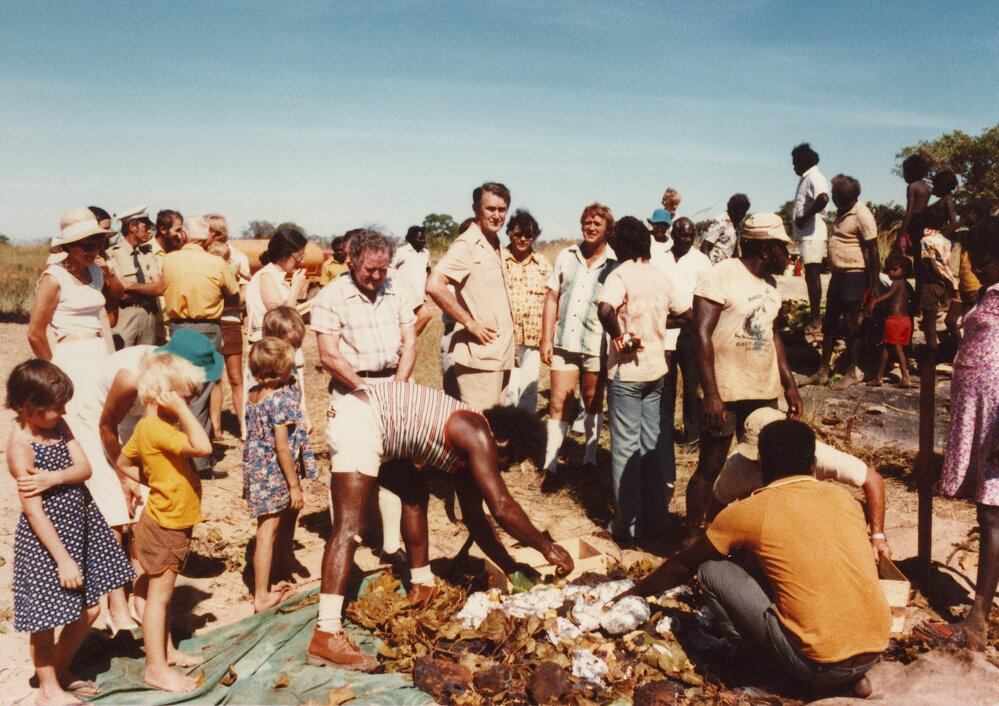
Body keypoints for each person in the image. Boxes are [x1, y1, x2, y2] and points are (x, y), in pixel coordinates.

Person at [308, 381, 573, 671]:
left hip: (379, 427)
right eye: (508, 462)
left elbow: (476, 519)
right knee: (350, 527)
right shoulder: (476, 432)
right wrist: (547, 548)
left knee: (413, 492)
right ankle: (326, 634)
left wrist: (510, 568)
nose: (503, 469)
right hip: (360, 419)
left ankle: (422, 585)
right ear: (505, 442)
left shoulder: (469, 447)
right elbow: (502, 506)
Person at [623, 420, 890, 698]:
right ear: (812, 463)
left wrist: (636, 590)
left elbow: (683, 564)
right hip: (873, 651)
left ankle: (771, 673)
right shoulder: (844, 498)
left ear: (761, 463)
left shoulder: (752, 510)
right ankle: (848, 680)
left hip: (818, 664)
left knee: (712, 570)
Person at [6, 360, 134, 705]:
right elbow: (33, 511)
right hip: (47, 541)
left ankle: (59, 670)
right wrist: (62, 560)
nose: (64, 410)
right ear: (28, 406)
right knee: (46, 617)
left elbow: (84, 468)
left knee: (89, 610)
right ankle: (47, 690)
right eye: (56, 406)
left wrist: (54, 477)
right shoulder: (21, 445)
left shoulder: (59, 426)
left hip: (81, 525)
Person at [78, 329, 223, 629]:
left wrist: (141, 478)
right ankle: (115, 605)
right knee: (116, 516)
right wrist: (122, 476)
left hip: (132, 423)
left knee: (143, 507)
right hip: (97, 424)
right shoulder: (132, 376)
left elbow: (149, 424)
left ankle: (141, 598)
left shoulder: (165, 377)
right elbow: (107, 425)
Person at [687, 213, 802, 534]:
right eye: (783, 248)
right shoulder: (720, 276)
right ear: (765, 250)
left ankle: (748, 535)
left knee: (765, 469)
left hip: (764, 393)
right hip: (724, 394)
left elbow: (774, 334)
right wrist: (711, 394)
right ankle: (693, 538)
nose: (788, 255)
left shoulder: (771, 285)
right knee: (710, 467)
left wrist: (789, 385)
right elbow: (701, 333)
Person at [312, 229, 417, 566]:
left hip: (392, 385)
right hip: (351, 391)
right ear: (352, 260)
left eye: (382, 270)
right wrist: (363, 388)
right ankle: (346, 546)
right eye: (369, 270)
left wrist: (398, 386)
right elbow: (329, 355)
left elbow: (410, 340)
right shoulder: (331, 296)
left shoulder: (396, 288)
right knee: (349, 469)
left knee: (394, 467)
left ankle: (390, 546)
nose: (376, 276)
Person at [116, 353, 212, 693]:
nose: (191, 401)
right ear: (166, 395)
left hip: (166, 520)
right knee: (159, 597)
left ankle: (166, 652)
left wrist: (149, 480)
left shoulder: (148, 427)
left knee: (160, 593)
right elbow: (203, 447)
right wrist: (185, 412)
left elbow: (122, 460)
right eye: (186, 396)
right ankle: (155, 669)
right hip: (167, 525)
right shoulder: (159, 429)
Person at [597, 217, 690, 542]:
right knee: (650, 444)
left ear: (620, 244)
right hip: (656, 370)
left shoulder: (619, 274)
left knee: (624, 447)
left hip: (628, 372)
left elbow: (605, 310)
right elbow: (687, 313)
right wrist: (658, 324)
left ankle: (627, 526)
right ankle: (657, 519)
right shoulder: (660, 276)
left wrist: (621, 339)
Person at [930, 219, 999, 651]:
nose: (974, 264)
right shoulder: (988, 296)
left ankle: (978, 618)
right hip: (979, 417)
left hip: (997, 422)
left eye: (980, 257)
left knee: (993, 514)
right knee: (986, 511)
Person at [706, 407, 892, 563]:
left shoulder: (815, 452)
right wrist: (717, 547)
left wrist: (878, 537)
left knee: (856, 509)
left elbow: (872, 479)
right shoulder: (739, 465)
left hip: (810, 519)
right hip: (769, 529)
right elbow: (717, 503)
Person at [539, 203, 617, 486]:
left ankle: (590, 459)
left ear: (607, 228)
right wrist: (546, 338)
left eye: (597, 223)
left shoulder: (615, 261)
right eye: (587, 222)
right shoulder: (565, 255)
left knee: (594, 401)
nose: (591, 227)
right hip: (564, 343)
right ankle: (550, 465)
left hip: (597, 344)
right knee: (559, 403)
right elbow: (551, 298)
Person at [160, 215, 240, 476]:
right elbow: (234, 294)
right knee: (202, 394)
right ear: (207, 238)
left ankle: (180, 453)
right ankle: (198, 461)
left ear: (183, 235)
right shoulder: (216, 263)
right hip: (207, 329)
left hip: (178, 329)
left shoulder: (168, 260)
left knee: (181, 390)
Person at [426, 182, 516, 410]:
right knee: (478, 432)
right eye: (490, 209)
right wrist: (469, 322)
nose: (497, 216)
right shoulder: (467, 244)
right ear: (476, 209)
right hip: (479, 358)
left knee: (494, 431)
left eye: (502, 210)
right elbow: (435, 284)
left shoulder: (496, 245)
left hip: (500, 354)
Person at [243, 337, 316, 612]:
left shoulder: (253, 393)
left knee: (269, 527)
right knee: (268, 530)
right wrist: (294, 486)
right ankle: (261, 595)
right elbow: (282, 448)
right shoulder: (281, 400)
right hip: (274, 471)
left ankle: (274, 575)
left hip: (257, 468)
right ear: (282, 369)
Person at [28, 209, 119, 423]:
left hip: (99, 351)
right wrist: (54, 373)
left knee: (102, 416)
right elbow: (35, 333)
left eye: (98, 244)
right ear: (68, 246)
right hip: (70, 356)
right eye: (87, 246)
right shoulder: (54, 278)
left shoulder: (96, 272)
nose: (93, 251)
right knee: (77, 417)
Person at [802, 176, 880, 390]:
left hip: (854, 275)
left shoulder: (862, 215)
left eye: (834, 195)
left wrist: (873, 283)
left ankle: (852, 371)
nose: (832, 198)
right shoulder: (842, 212)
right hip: (838, 276)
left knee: (852, 324)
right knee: (829, 324)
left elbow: (873, 250)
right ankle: (823, 371)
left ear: (843, 197)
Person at [660, 217, 711, 443]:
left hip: (690, 329)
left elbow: (706, 297)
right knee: (665, 384)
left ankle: (692, 436)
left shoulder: (702, 261)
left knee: (691, 386)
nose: (687, 239)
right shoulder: (659, 259)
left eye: (691, 235)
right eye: (682, 235)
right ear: (673, 235)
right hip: (664, 327)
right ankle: (664, 433)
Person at [205, 213, 251, 439]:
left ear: (214, 231)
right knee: (213, 377)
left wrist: (220, 304)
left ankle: (243, 426)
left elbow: (244, 293)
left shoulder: (238, 257)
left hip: (230, 322)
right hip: (209, 322)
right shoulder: (202, 256)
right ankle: (216, 429)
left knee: (235, 377)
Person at [503, 209, 552, 413]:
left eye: (528, 235)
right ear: (510, 234)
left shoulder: (543, 264)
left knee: (528, 389)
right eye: (518, 234)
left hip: (533, 337)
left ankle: (523, 435)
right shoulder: (500, 260)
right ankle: (504, 434)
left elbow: (553, 299)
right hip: (506, 337)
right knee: (508, 389)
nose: (523, 239)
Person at [106, 207, 163, 348]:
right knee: (122, 361)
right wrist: (147, 290)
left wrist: (129, 285)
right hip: (125, 317)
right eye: (145, 227)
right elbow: (120, 294)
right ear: (132, 227)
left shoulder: (148, 255)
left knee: (146, 364)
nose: (149, 231)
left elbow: (160, 288)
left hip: (149, 317)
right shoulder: (113, 255)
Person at [245, 226, 309, 344]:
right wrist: (295, 286)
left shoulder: (276, 276)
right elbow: (282, 316)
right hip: (269, 345)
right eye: (299, 255)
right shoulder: (266, 276)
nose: (302, 261)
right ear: (285, 253)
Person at [790, 143, 830, 334]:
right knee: (810, 275)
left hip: (813, 233)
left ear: (803, 161)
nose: (793, 166)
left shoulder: (815, 177)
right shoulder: (805, 178)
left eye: (795, 162)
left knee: (813, 275)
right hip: (807, 234)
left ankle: (816, 319)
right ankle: (816, 317)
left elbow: (823, 198)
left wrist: (805, 217)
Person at [865, 254, 916, 388]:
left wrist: (875, 301)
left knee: (897, 348)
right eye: (889, 270)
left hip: (895, 320)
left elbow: (890, 294)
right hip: (904, 321)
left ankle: (905, 377)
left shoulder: (897, 282)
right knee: (887, 347)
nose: (891, 272)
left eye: (895, 269)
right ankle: (879, 377)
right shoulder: (906, 284)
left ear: (904, 271)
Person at [916, 208, 960, 353]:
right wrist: (945, 280)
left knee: (929, 327)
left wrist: (937, 277)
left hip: (933, 282)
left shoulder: (926, 240)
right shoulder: (946, 240)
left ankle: (931, 360)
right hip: (947, 280)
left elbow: (930, 263)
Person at [392, 225, 433, 336]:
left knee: (412, 322)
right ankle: (406, 341)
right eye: (419, 238)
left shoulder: (426, 253)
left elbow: (428, 268)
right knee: (425, 315)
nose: (423, 241)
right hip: (406, 294)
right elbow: (389, 268)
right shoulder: (402, 252)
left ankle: (405, 344)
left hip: (420, 295)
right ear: (410, 239)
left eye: (424, 238)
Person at [152, 209, 184, 344]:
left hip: (176, 324)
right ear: (163, 229)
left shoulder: (179, 253)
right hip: (156, 325)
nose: (180, 235)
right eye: (177, 230)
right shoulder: (147, 253)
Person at [700, 193, 751, 264]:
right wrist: (708, 267)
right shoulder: (720, 221)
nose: (741, 216)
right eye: (738, 213)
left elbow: (734, 251)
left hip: (726, 269)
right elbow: (705, 246)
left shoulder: (736, 226)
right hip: (714, 266)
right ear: (732, 209)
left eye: (743, 213)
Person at [897, 154, 932, 256]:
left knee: (905, 252)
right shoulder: (928, 188)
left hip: (914, 224)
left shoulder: (912, 187)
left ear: (911, 172)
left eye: (905, 172)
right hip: (924, 223)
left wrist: (901, 233)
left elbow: (909, 211)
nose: (904, 175)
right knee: (920, 254)